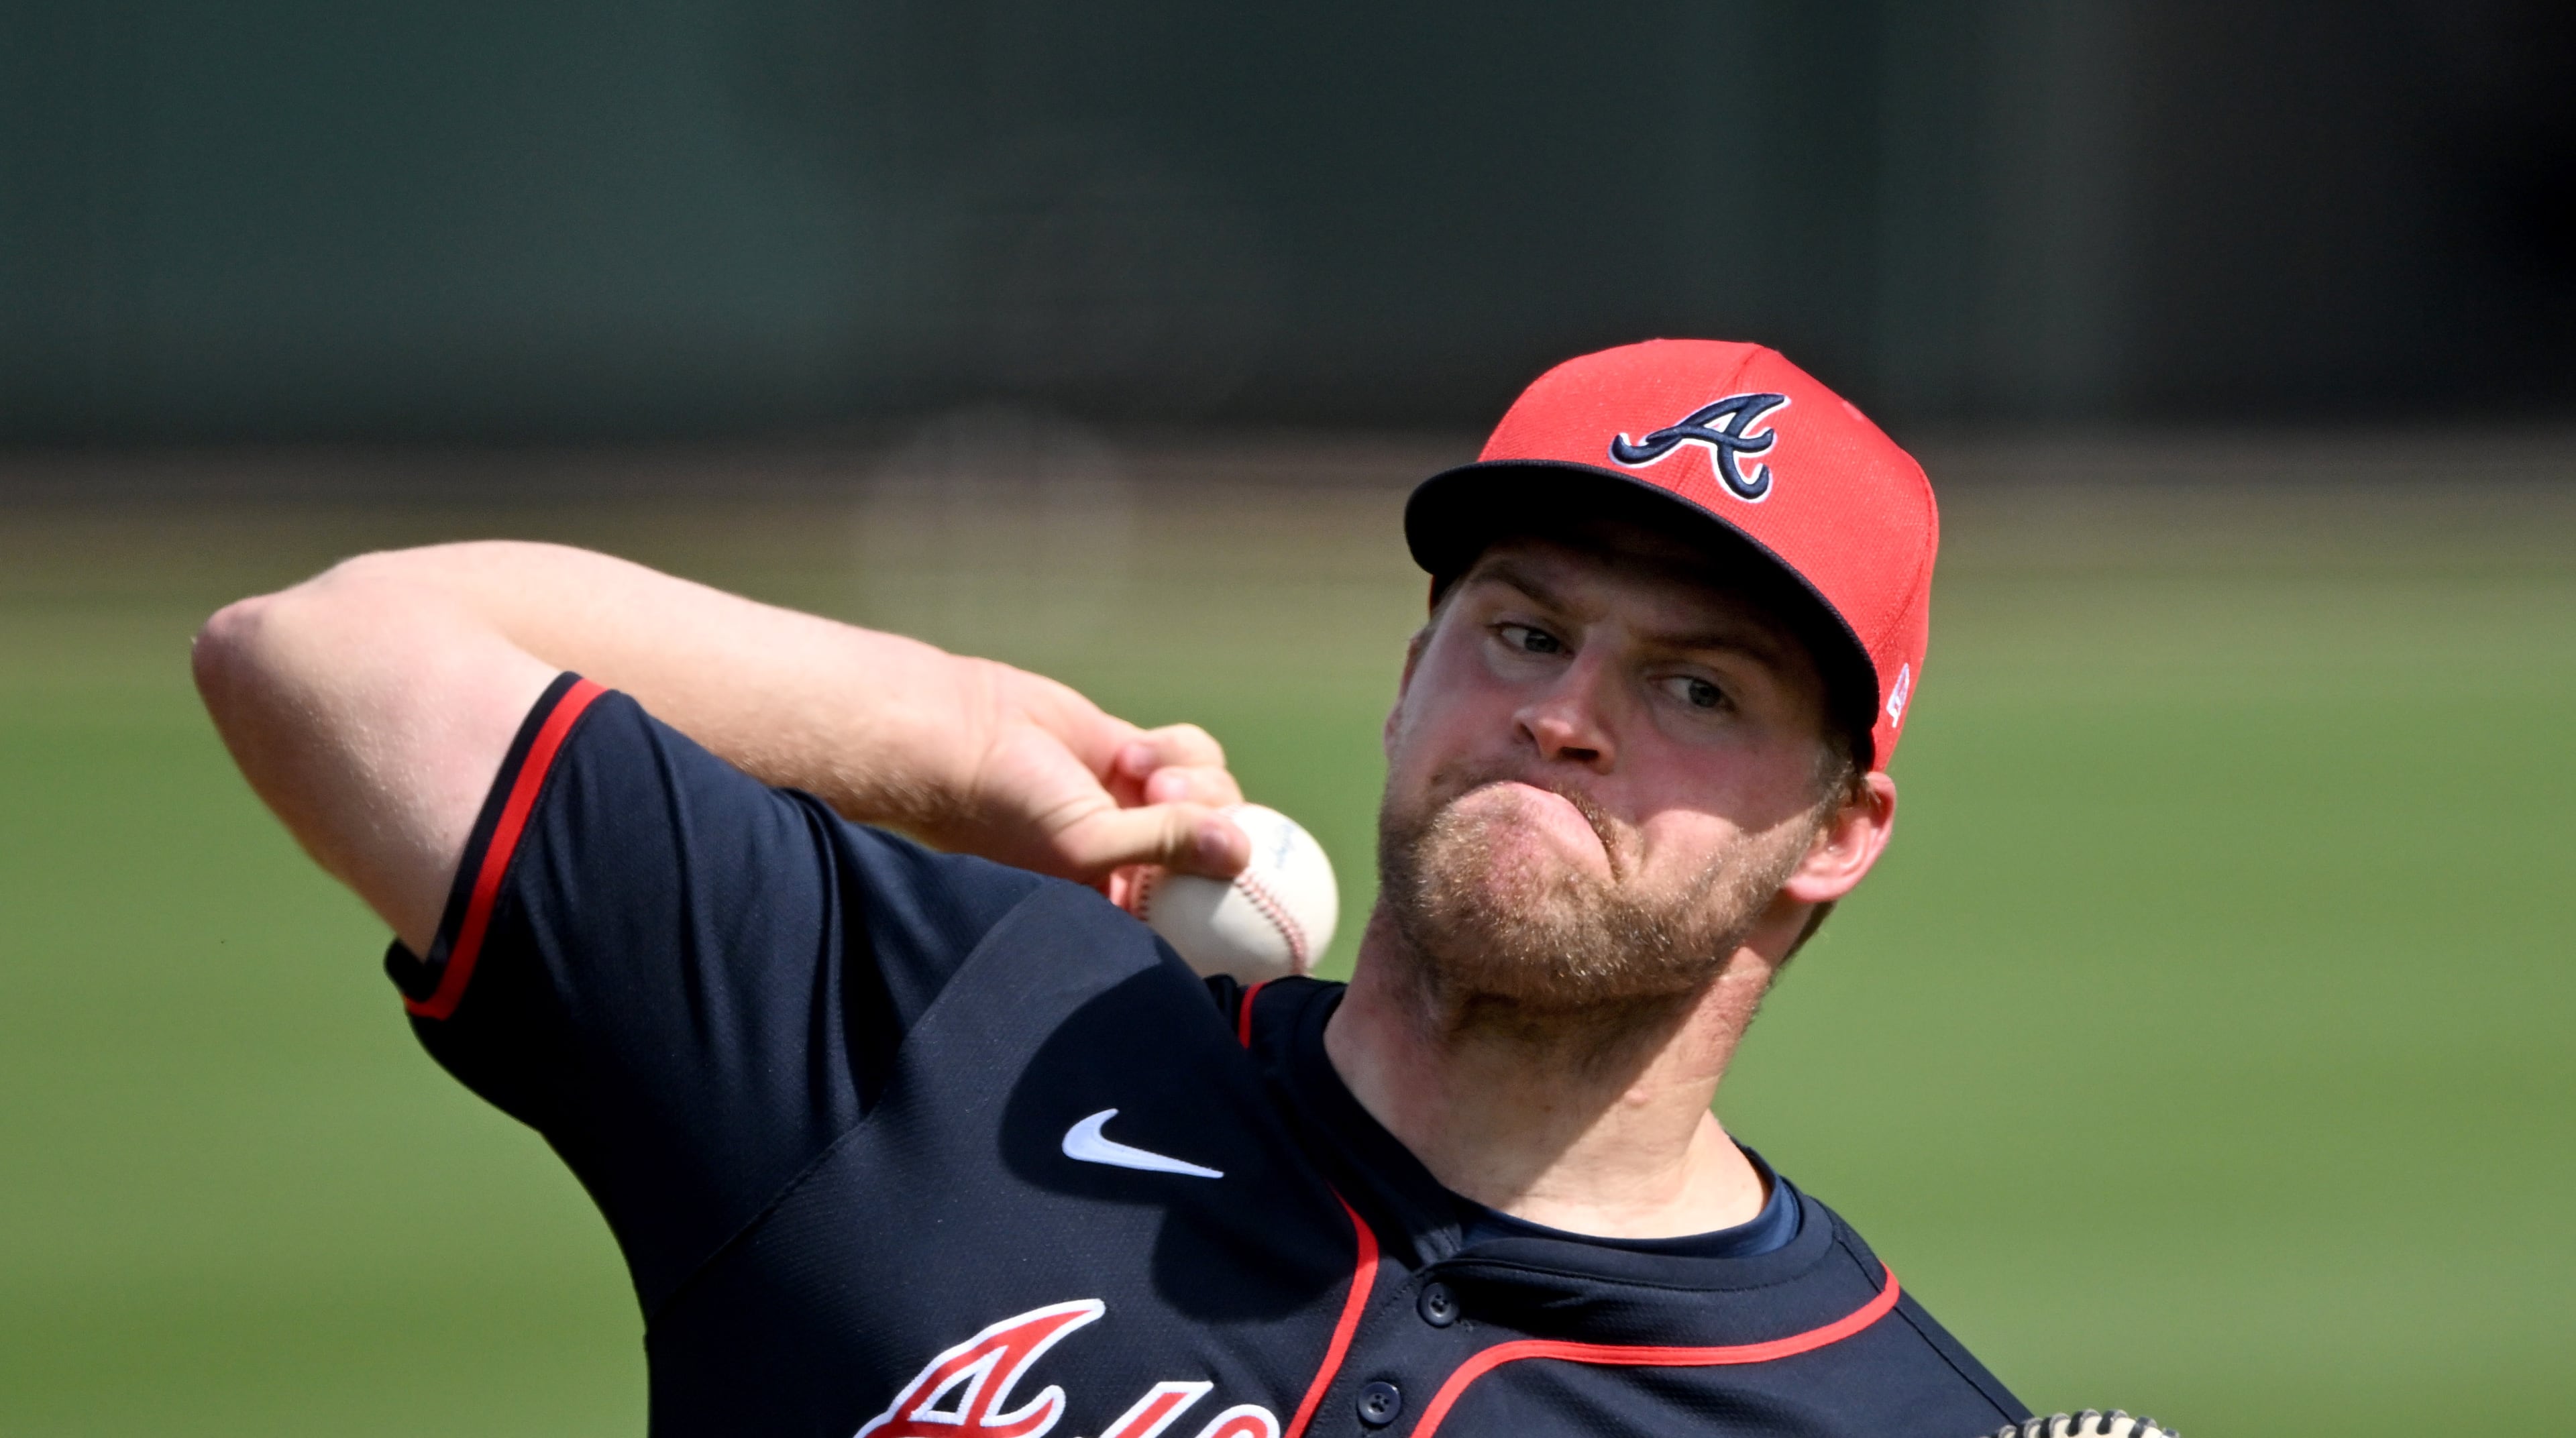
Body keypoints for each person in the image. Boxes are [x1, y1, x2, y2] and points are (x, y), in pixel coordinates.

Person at [195, 340, 2027, 1437]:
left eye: (1696, 688)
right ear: (1408, 684)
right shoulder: (958, 1037)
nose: (1563, 718)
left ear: (1846, 826)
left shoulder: (1876, 1413)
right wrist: (949, 726)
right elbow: (330, 658)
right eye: (1525, 631)